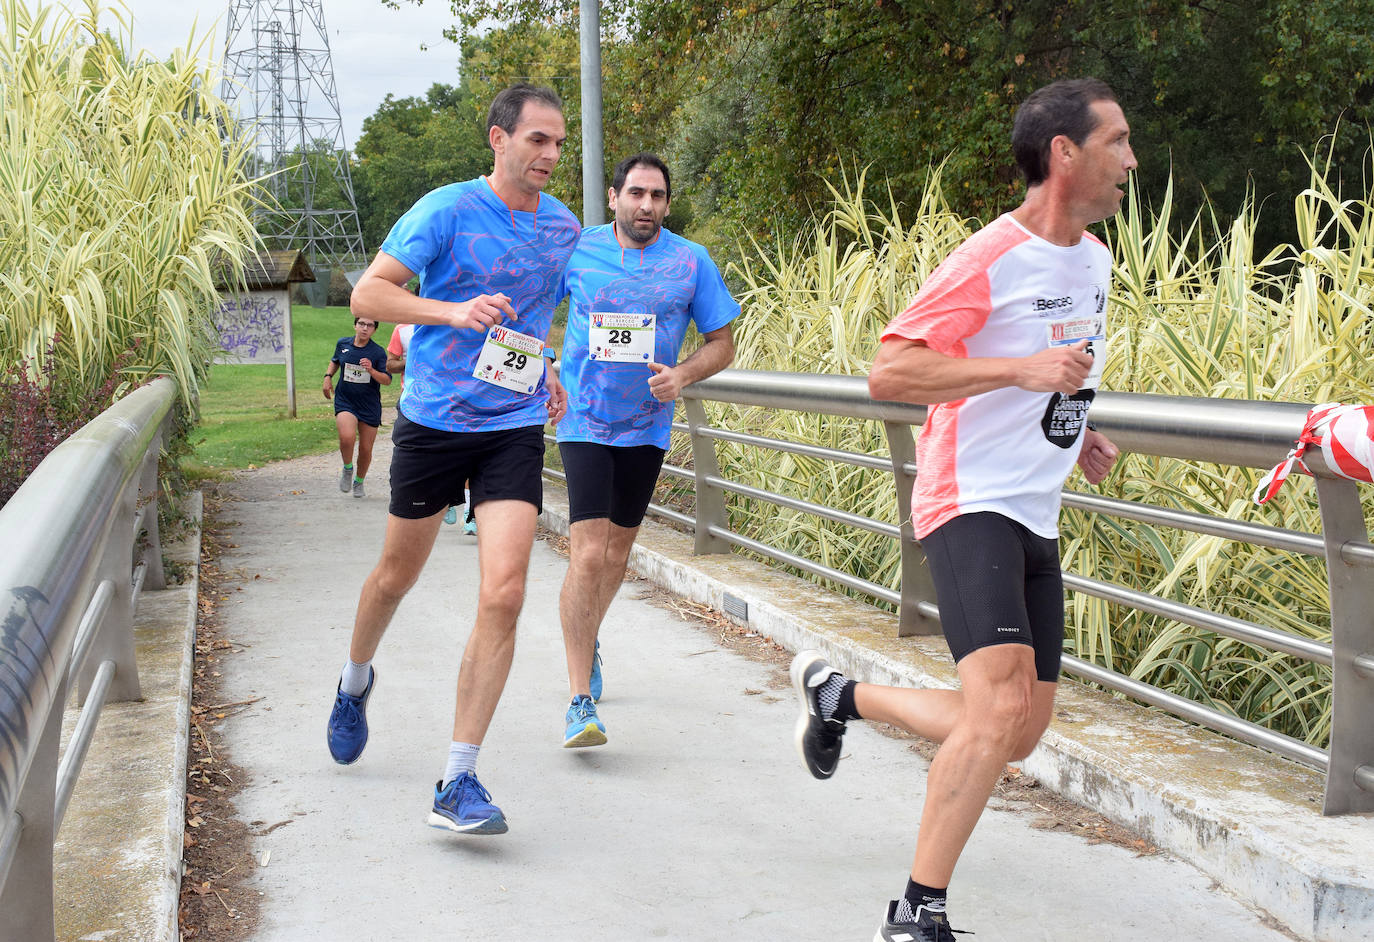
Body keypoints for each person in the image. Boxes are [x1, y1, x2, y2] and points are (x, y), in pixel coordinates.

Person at [790, 77, 1131, 941]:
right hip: (967, 495)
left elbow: (1061, 365)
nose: (1131, 160)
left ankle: (840, 699)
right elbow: (892, 371)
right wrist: (1017, 373)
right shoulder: (991, 257)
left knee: (1016, 730)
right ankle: (915, 911)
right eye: (1118, 142)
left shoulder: (1095, 260)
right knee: (998, 711)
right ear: (1066, 154)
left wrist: (1076, 429)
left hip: (1037, 506)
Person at [324, 83, 579, 836]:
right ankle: (354, 680)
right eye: (538, 140)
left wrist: (551, 367)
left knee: (504, 591)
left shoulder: (562, 228)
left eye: (559, 142)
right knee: (395, 576)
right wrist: (450, 311)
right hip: (435, 421)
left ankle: (458, 780)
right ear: (498, 139)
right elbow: (366, 294)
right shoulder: (446, 209)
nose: (551, 155)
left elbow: (534, 318)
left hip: (512, 422)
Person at [553, 153, 739, 747]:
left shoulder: (690, 262)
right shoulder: (578, 249)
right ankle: (579, 701)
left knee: (614, 556)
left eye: (657, 196)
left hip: (646, 426)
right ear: (613, 198)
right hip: (583, 418)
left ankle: (590, 634)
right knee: (586, 555)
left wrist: (682, 376)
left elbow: (722, 342)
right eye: (636, 193)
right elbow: (532, 311)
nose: (647, 206)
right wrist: (544, 367)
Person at [386, 323, 473, 531]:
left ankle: (471, 508)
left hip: (459, 399)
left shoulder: (460, 321)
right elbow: (390, 365)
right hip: (417, 404)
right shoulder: (402, 330)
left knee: (467, 454)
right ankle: (445, 502)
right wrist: (417, 357)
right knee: (439, 459)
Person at [323, 316, 391, 498]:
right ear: (355, 325)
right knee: (347, 437)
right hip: (346, 400)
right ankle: (347, 468)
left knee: (366, 449)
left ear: (374, 330)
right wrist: (328, 376)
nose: (364, 328)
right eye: (361, 324)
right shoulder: (343, 344)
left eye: (369, 325)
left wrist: (371, 370)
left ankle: (359, 481)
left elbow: (387, 380)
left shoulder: (377, 353)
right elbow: (336, 360)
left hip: (369, 405)